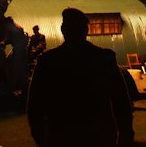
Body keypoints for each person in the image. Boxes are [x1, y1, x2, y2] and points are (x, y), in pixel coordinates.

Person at [27, 8, 133, 147]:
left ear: (62, 29)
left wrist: (41, 139)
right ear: (86, 30)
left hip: (61, 136)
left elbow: (34, 106)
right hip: (100, 137)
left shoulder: (48, 61)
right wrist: (125, 136)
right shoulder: (103, 58)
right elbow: (122, 103)